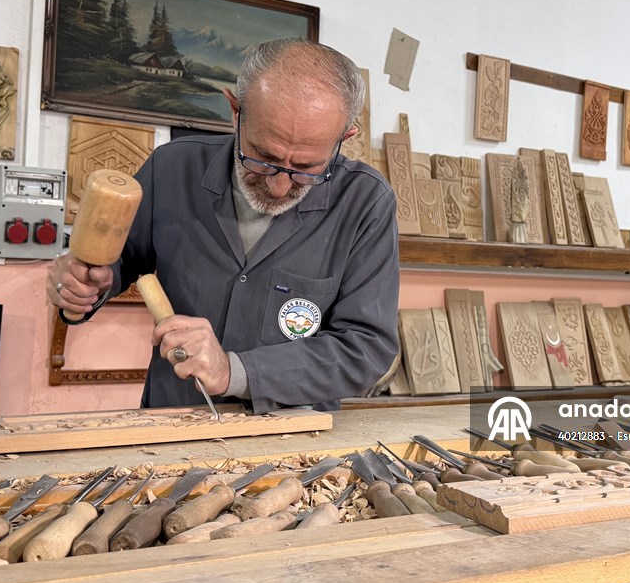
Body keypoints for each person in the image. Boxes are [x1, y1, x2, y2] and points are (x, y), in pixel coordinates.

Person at [47, 38, 400, 414]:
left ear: (344, 138)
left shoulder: (366, 202)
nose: (279, 187)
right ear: (235, 112)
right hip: (175, 416)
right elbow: (118, 262)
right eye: (263, 157)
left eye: (306, 168)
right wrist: (83, 285)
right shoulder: (172, 168)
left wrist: (235, 372)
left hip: (292, 430)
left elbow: (366, 348)